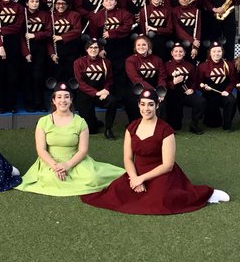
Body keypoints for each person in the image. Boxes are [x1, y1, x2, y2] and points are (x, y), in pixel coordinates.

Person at [81, 90, 229, 214]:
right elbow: (127, 158)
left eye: (151, 105)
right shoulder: (131, 127)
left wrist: (142, 179)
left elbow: (168, 165)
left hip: (161, 173)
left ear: (157, 106)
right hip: (137, 172)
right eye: (143, 104)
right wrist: (134, 178)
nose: (146, 108)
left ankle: (208, 194)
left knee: (162, 201)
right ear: (138, 105)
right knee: (115, 194)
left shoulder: (166, 130)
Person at [16, 85, 125, 196]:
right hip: (50, 162)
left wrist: (67, 165)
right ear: (53, 100)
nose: (63, 100)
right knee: (49, 179)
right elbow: (41, 150)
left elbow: (83, 150)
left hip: (75, 161)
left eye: (66, 97)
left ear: (71, 100)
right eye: (59, 97)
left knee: (93, 178)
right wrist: (56, 167)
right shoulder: (43, 121)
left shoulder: (80, 122)